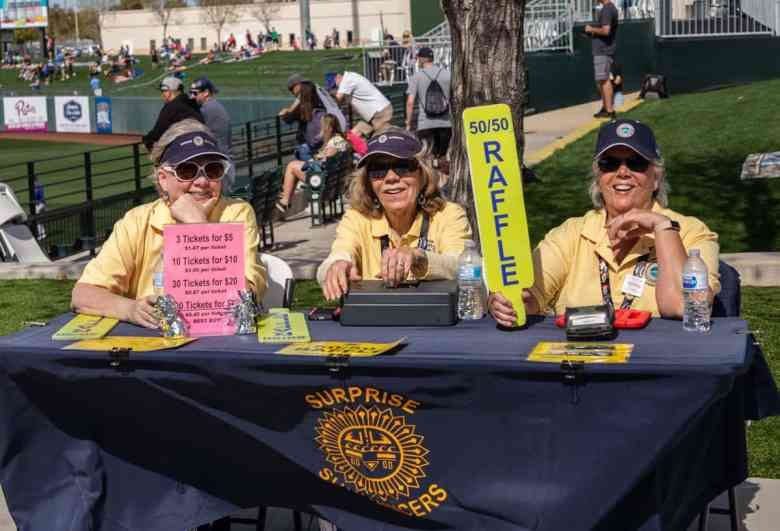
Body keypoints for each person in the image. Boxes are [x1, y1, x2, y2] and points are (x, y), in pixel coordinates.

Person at [488, 119, 721, 327]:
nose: (622, 172)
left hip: (660, 364)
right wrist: (508, 303)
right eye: (609, 163)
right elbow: (529, 297)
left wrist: (662, 228)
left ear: (656, 177)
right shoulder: (572, 232)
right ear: (599, 178)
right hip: (581, 362)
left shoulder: (692, 232)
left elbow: (683, 307)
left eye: (636, 163)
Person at [71, 120, 267, 329]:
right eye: (188, 171)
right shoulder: (137, 221)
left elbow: (244, 297)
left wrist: (198, 228)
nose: (202, 181)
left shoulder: (236, 213)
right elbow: (83, 294)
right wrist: (130, 309)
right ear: (163, 178)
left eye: (213, 170)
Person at [317, 128, 471, 300]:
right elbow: (338, 255)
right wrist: (336, 267)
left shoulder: (448, 214)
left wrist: (419, 257)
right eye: (378, 170)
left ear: (422, 174)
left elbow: (464, 266)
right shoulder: (357, 218)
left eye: (402, 166)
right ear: (368, 183)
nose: (390, 178)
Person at [274, 113, 349, 220]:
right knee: (295, 168)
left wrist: (317, 157)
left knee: (291, 166)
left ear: (328, 128)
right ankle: (286, 200)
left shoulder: (334, 142)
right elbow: (328, 159)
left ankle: (285, 200)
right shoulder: (339, 139)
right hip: (332, 181)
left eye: (322, 125)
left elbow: (327, 158)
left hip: (323, 181)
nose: (320, 127)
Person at [405, 46, 452, 159]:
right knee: (443, 158)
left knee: (427, 158)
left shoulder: (417, 77)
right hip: (445, 123)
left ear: (421, 59)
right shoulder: (448, 74)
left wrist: (408, 123)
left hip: (425, 124)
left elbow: (410, 102)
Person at [190, 77, 234, 192]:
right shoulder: (214, 106)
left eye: (195, 93)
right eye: (191, 93)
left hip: (219, 166)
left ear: (206, 93)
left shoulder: (207, 109)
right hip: (223, 163)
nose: (192, 96)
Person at [142, 76, 204, 150]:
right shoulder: (192, 103)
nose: (162, 94)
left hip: (184, 148)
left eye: (164, 90)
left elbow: (158, 132)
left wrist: (146, 140)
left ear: (173, 91)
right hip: (202, 143)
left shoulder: (171, 106)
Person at [333, 70, 393, 139]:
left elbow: (337, 99)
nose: (337, 88)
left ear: (338, 77)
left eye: (335, 85)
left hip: (380, 112)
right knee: (355, 134)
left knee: (381, 139)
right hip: (377, 112)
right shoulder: (350, 78)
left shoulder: (346, 80)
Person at [585, 0, 620, 119]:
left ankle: (609, 110)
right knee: (601, 80)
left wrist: (591, 30)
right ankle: (606, 107)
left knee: (604, 80)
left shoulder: (606, 10)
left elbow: (606, 31)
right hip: (603, 50)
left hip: (603, 51)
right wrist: (593, 33)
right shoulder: (610, 8)